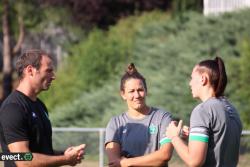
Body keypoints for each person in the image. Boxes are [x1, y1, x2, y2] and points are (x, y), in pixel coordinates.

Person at [0, 49, 86, 167]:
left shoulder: (39, 105)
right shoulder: (13, 108)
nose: (53, 76)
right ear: (30, 70)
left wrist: (64, 154)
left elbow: (41, 151)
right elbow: (24, 160)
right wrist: (65, 159)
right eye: (48, 71)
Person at [166, 57, 242, 167]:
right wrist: (193, 135)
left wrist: (174, 137)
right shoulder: (232, 109)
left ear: (203, 79)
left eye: (192, 78)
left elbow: (194, 161)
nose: (190, 83)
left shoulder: (202, 110)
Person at [105, 63, 173, 167]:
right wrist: (152, 159)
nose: (136, 95)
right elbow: (114, 163)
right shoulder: (115, 123)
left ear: (146, 91)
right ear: (123, 94)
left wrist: (127, 162)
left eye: (140, 90)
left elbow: (164, 155)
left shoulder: (163, 117)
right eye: (131, 91)